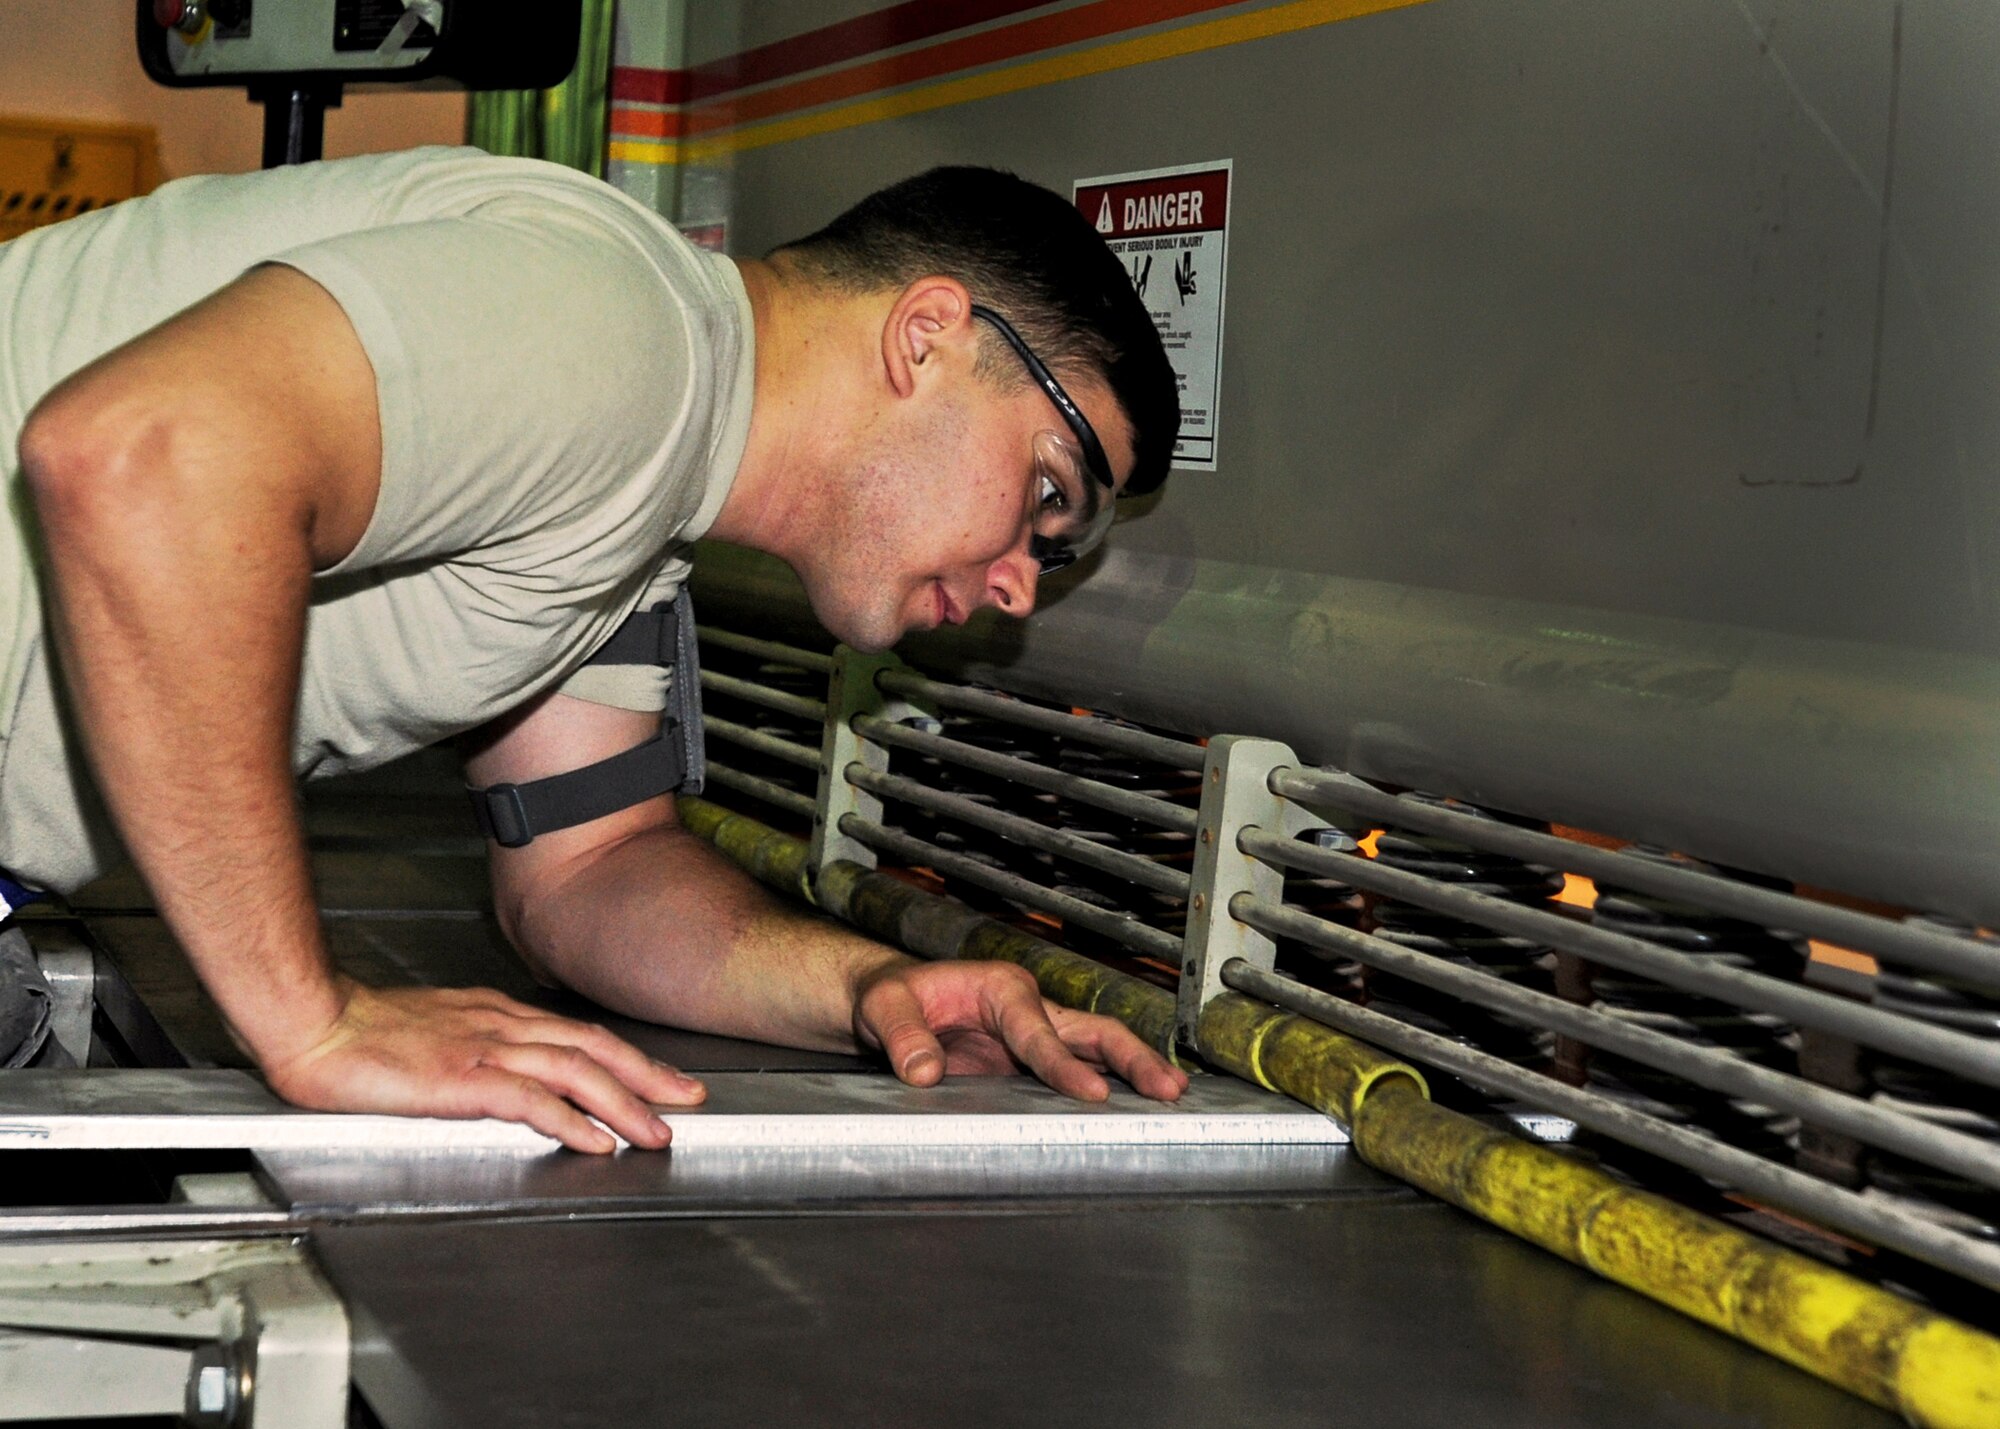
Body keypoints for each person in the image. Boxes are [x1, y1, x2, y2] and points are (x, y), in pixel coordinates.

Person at [0, 148, 1186, 1150]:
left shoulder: (643, 502)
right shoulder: (625, 337)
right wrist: (309, 1021)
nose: (1022, 585)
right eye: (1046, 490)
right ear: (925, 336)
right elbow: (142, 455)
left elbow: (587, 871)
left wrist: (864, 989)